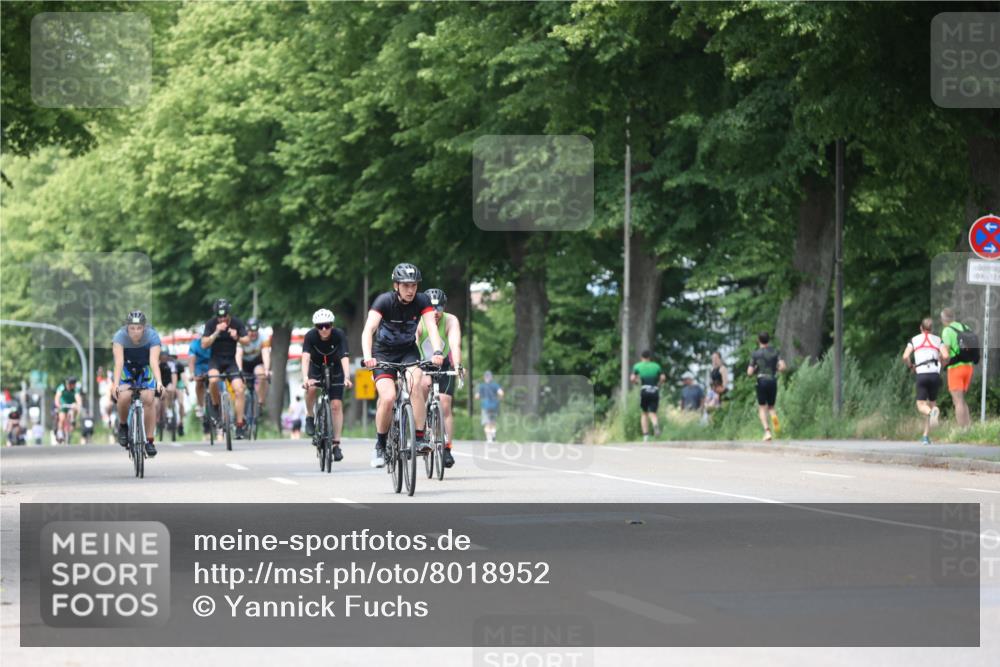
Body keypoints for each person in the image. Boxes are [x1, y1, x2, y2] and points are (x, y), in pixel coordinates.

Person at [362, 264, 444, 468]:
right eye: (406, 285)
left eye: (414, 285)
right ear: (396, 285)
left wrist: (437, 351)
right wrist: (367, 356)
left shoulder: (422, 300)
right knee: (388, 397)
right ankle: (380, 445)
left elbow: (431, 326)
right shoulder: (384, 301)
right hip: (382, 354)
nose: (410, 290)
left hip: (408, 351)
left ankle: (419, 437)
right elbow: (368, 330)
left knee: (416, 383)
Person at [110, 310, 165, 458]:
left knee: (148, 398)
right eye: (132, 328)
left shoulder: (152, 336)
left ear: (144, 328)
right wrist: (115, 384)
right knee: (124, 396)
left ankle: (149, 441)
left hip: (144, 367)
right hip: (126, 368)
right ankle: (123, 426)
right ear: (127, 327)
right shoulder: (119, 337)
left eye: (139, 328)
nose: (135, 332)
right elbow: (119, 362)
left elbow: (154, 361)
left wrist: (159, 382)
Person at [417, 288, 461, 468]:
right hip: (421, 362)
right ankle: (422, 428)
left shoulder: (451, 320)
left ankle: (447, 448)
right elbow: (413, 342)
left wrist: (458, 365)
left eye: (439, 308)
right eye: (432, 308)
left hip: (443, 364)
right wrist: (419, 370)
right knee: (420, 389)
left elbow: (455, 344)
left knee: (445, 404)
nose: (435, 313)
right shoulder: (419, 320)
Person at [302, 308, 352, 461]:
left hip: (335, 368)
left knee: (336, 405)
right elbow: (305, 357)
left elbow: (344, 356)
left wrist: (347, 377)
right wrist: (305, 377)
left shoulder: (339, 335)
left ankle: (336, 444)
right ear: (315, 327)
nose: (324, 329)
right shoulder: (310, 336)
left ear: (332, 325)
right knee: (310, 389)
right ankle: (310, 417)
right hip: (316, 368)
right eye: (320, 326)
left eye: (327, 326)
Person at [201, 298, 250, 438]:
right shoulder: (211, 324)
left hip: (230, 361)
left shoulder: (236, 323)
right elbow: (204, 344)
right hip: (215, 360)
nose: (222, 318)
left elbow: (247, 341)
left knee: (240, 389)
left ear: (229, 313)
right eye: (219, 316)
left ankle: (239, 424)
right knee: (213, 380)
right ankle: (216, 406)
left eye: (224, 315)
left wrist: (237, 337)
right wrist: (216, 332)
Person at [902, 317, 943, 445]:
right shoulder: (938, 340)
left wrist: (911, 366)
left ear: (921, 327)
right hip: (935, 375)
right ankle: (925, 436)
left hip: (922, 374)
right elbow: (946, 355)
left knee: (921, 406)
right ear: (932, 329)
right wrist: (941, 364)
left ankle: (932, 414)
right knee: (931, 404)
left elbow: (905, 356)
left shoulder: (914, 340)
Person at [747, 332, 786, 441]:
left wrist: (755, 370)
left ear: (759, 340)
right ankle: (777, 427)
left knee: (762, 407)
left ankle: (767, 431)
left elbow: (749, 372)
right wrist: (775, 369)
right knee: (771, 407)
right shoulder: (775, 352)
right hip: (773, 379)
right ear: (768, 340)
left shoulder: (755, 354)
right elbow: (783, 367)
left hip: (761, 380)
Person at [940, 308, 975, 429]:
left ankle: (962, 430)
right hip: (968, 367)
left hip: (956, 368)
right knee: (961, 399)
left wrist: (941, 363)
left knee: (957, 400)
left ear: (943, 319)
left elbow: (947, 352)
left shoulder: (947, 331)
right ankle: (968, 428)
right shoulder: (965, 327)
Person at [630, 350, 665, 441]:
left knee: (644, 413)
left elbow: (632, 378)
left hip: (644, 390)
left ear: (641, 357)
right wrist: (659, 384)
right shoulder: (656, 366)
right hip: (654, 390)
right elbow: (663, 377)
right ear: (649, 357)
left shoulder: (638, 366)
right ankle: (655, 425)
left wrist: (636, 382)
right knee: (653, 413)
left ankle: (646, 436)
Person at [240, 317, 272, 415]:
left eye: (255, 331)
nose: (253, 334)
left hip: (257, 362)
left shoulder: (264, 336)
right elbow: (238, 354)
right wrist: (239, 370)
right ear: (247, 330)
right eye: (250, 331)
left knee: (262, 374)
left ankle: (260, 402)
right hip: (244, 363)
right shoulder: (242, 336)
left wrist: (266, 369)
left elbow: (265, 353)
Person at [188, 330, 213, 430]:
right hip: (199, 366)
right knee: (199, 382)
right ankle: (200, 405)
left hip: (211, 365)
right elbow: (191, 361)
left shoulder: (213, 343)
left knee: (216, 381)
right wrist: (191, 374)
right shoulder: (194, 345)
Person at [52, 377, 83, 444]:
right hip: (63, 404)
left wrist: (78, 405)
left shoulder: (75, 389)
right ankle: (60, 431)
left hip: (71, 404)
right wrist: (58, 405)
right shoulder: (62, 387)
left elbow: (78, 398)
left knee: (74, 409)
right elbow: (57, 397)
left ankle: (72, 420)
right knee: (62, 418)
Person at [476, 371, 504, 443]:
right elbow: (501, 393)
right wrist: (499, 399)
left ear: (484, 378)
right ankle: (493, 436)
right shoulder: (495, 385)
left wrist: (478, 397)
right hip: (494, 405)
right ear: (491, 377)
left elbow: (477, 396)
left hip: (485, 406)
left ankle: (489, 439)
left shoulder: (482, 386)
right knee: (493, 422)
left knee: (487, 422)